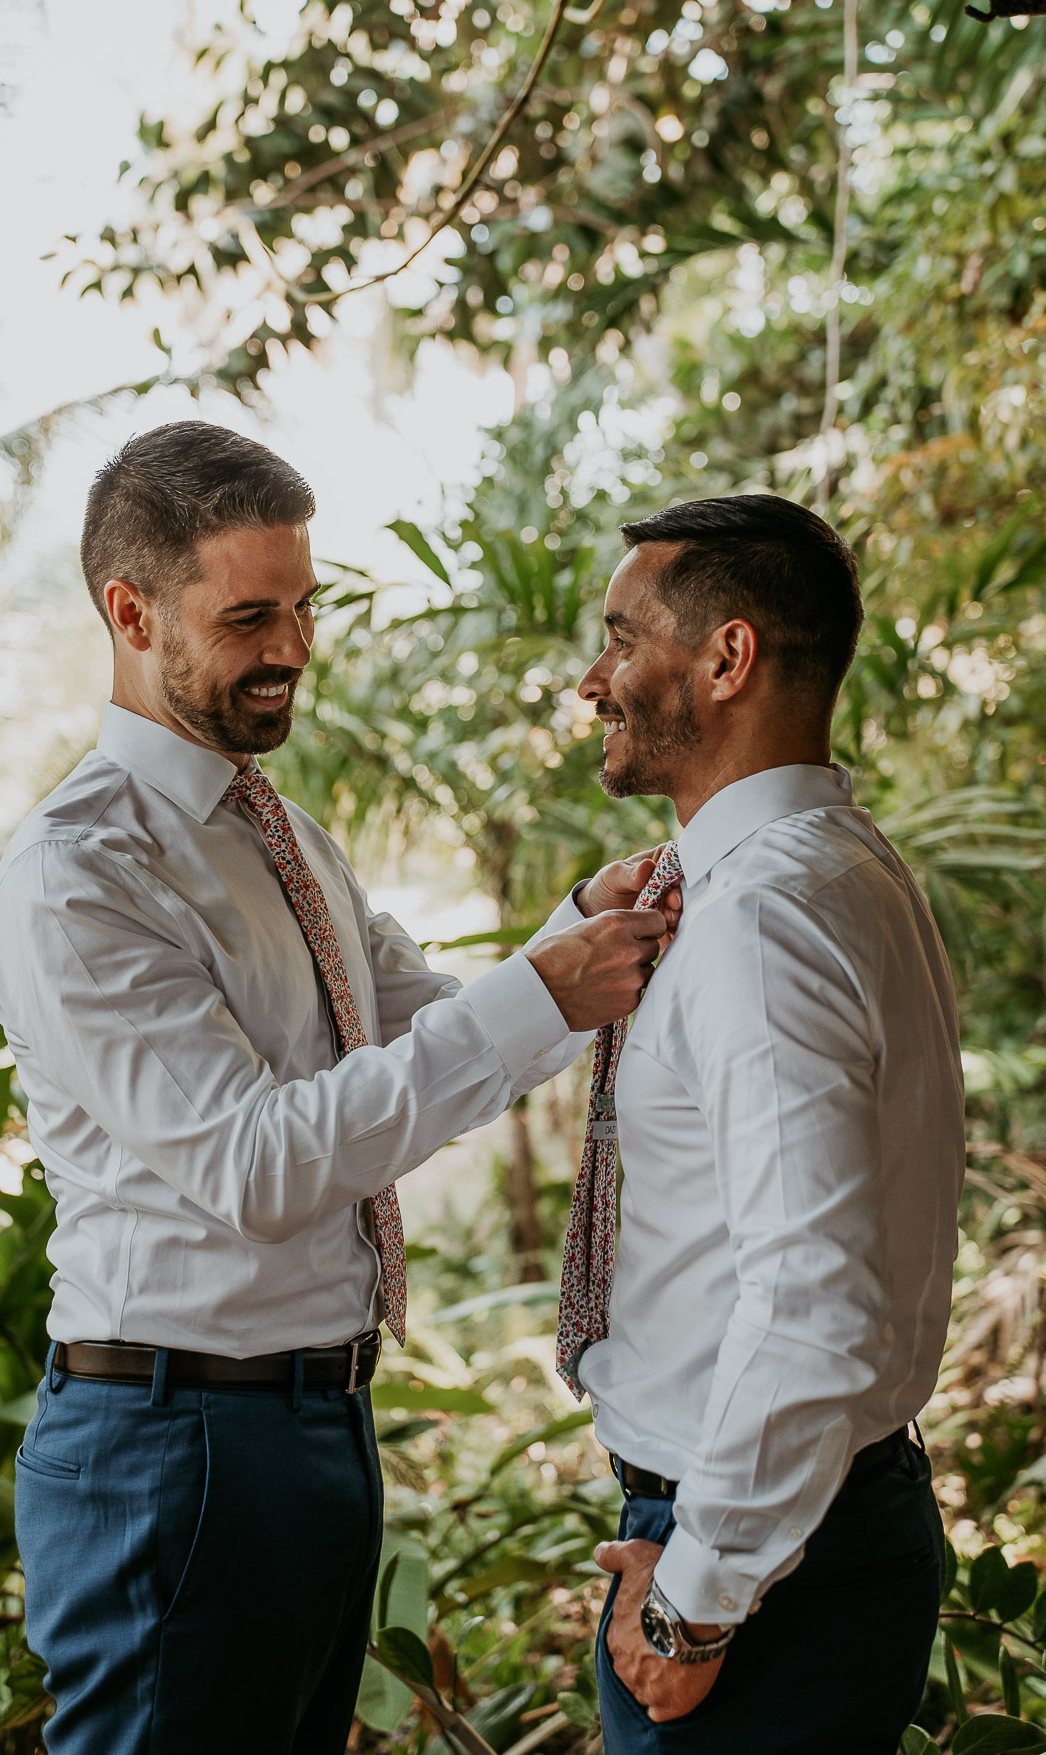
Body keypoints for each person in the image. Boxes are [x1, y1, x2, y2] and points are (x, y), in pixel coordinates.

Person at [0, 421, 679, 1755]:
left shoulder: (287, 832)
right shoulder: (83, 873)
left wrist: (574, 929)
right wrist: (553, 984)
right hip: (171, 1448)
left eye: (304, 606)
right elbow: (262, 1168)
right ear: (129, 613)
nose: (295, 647)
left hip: (313, 1427)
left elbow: (420, 1026)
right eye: (251, 616)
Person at [561, 494, 964, 1754]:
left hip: (762, 1567)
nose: (593, 679)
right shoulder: (831, 867)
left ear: (727, 658)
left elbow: (811, 1300)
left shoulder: (760, 915)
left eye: (623, 638)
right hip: (804, 1524)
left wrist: (695, 1603)